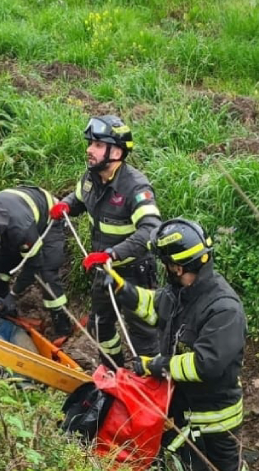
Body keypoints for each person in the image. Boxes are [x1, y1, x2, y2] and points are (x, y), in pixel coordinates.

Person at [88, 218, 249, 471]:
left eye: (166, 265)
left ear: (177, 266)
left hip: (214, 415)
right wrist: (120, 288)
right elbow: (153, 307)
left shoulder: (224, 309)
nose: (164, 270)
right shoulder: (181, 293)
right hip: (181, 402)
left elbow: (205, 364)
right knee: (183, 462)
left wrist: (156, 365)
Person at [50, 115, 161, 367]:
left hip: (134, 273)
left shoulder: (135, 188)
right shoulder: (91, 178)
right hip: (103, 269)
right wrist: (64, 205)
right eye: (90, 143)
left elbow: (151, 231)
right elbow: (78, 199)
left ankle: (151, 385)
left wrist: (112, 254)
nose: (89, 150)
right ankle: (113, 372)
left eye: (98, 145)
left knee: (143, 335)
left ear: (117, 152)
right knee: (101, 325)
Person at [0, 186, 72, 339]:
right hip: (16, 217)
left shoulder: (20, 230)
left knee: (47, 273)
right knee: (1, 266)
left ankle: (62, 324)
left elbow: (34, 264)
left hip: (49, 219)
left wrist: (14, 294)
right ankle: (4, 307)